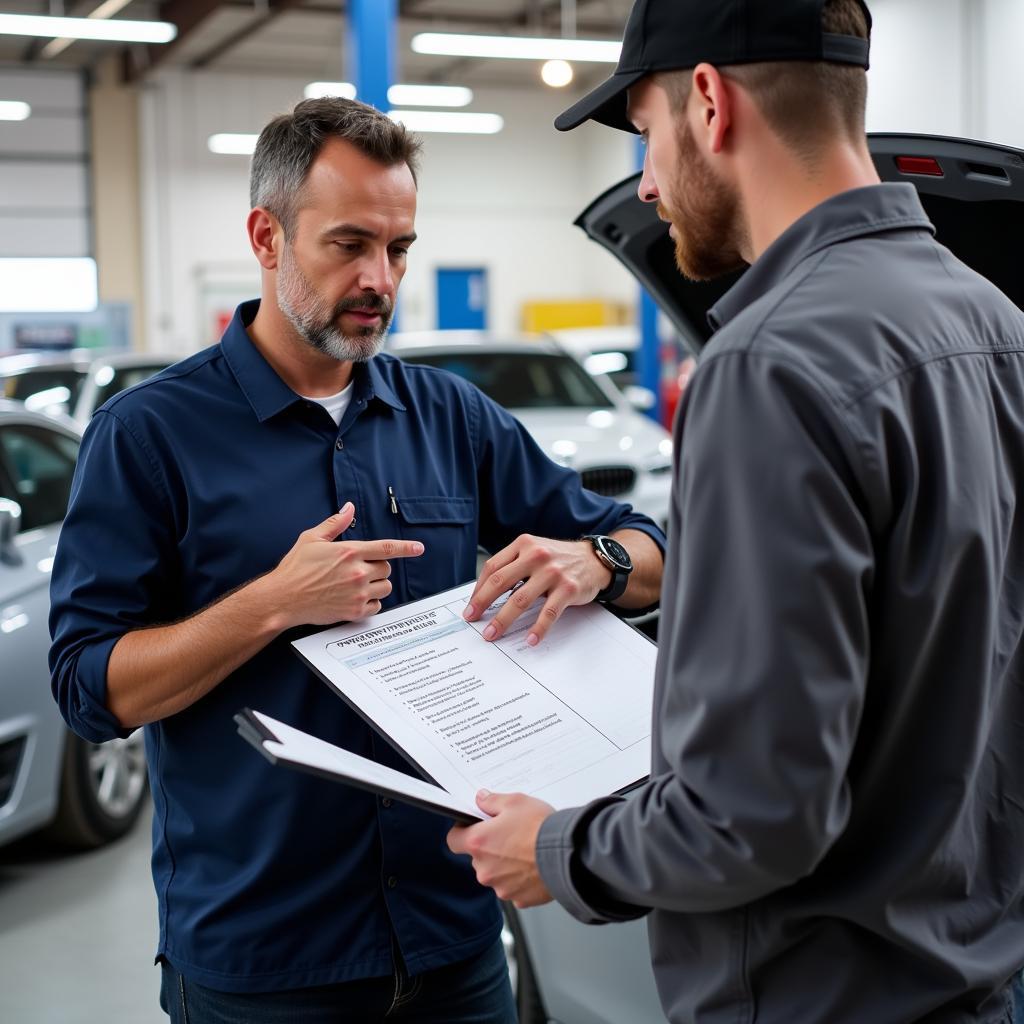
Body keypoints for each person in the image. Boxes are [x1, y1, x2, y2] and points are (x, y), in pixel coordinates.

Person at [447, 1, 1024, 1021]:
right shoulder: (995, 323)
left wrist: (556, 849)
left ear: (707, 102)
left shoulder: (766, 363)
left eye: (645, 137)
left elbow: (751, 815)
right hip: (976, 972)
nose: (648, 187)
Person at [48, 97, 665, 1024]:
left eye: (400, 248)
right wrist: (270, 603)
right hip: (263, 965)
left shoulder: (450, 417)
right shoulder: (149, 436)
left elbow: (659, 550)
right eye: (348, 245)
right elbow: (91, 691)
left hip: (454, 946)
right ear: (267, 235)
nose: (381, 277)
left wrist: (597, 561)